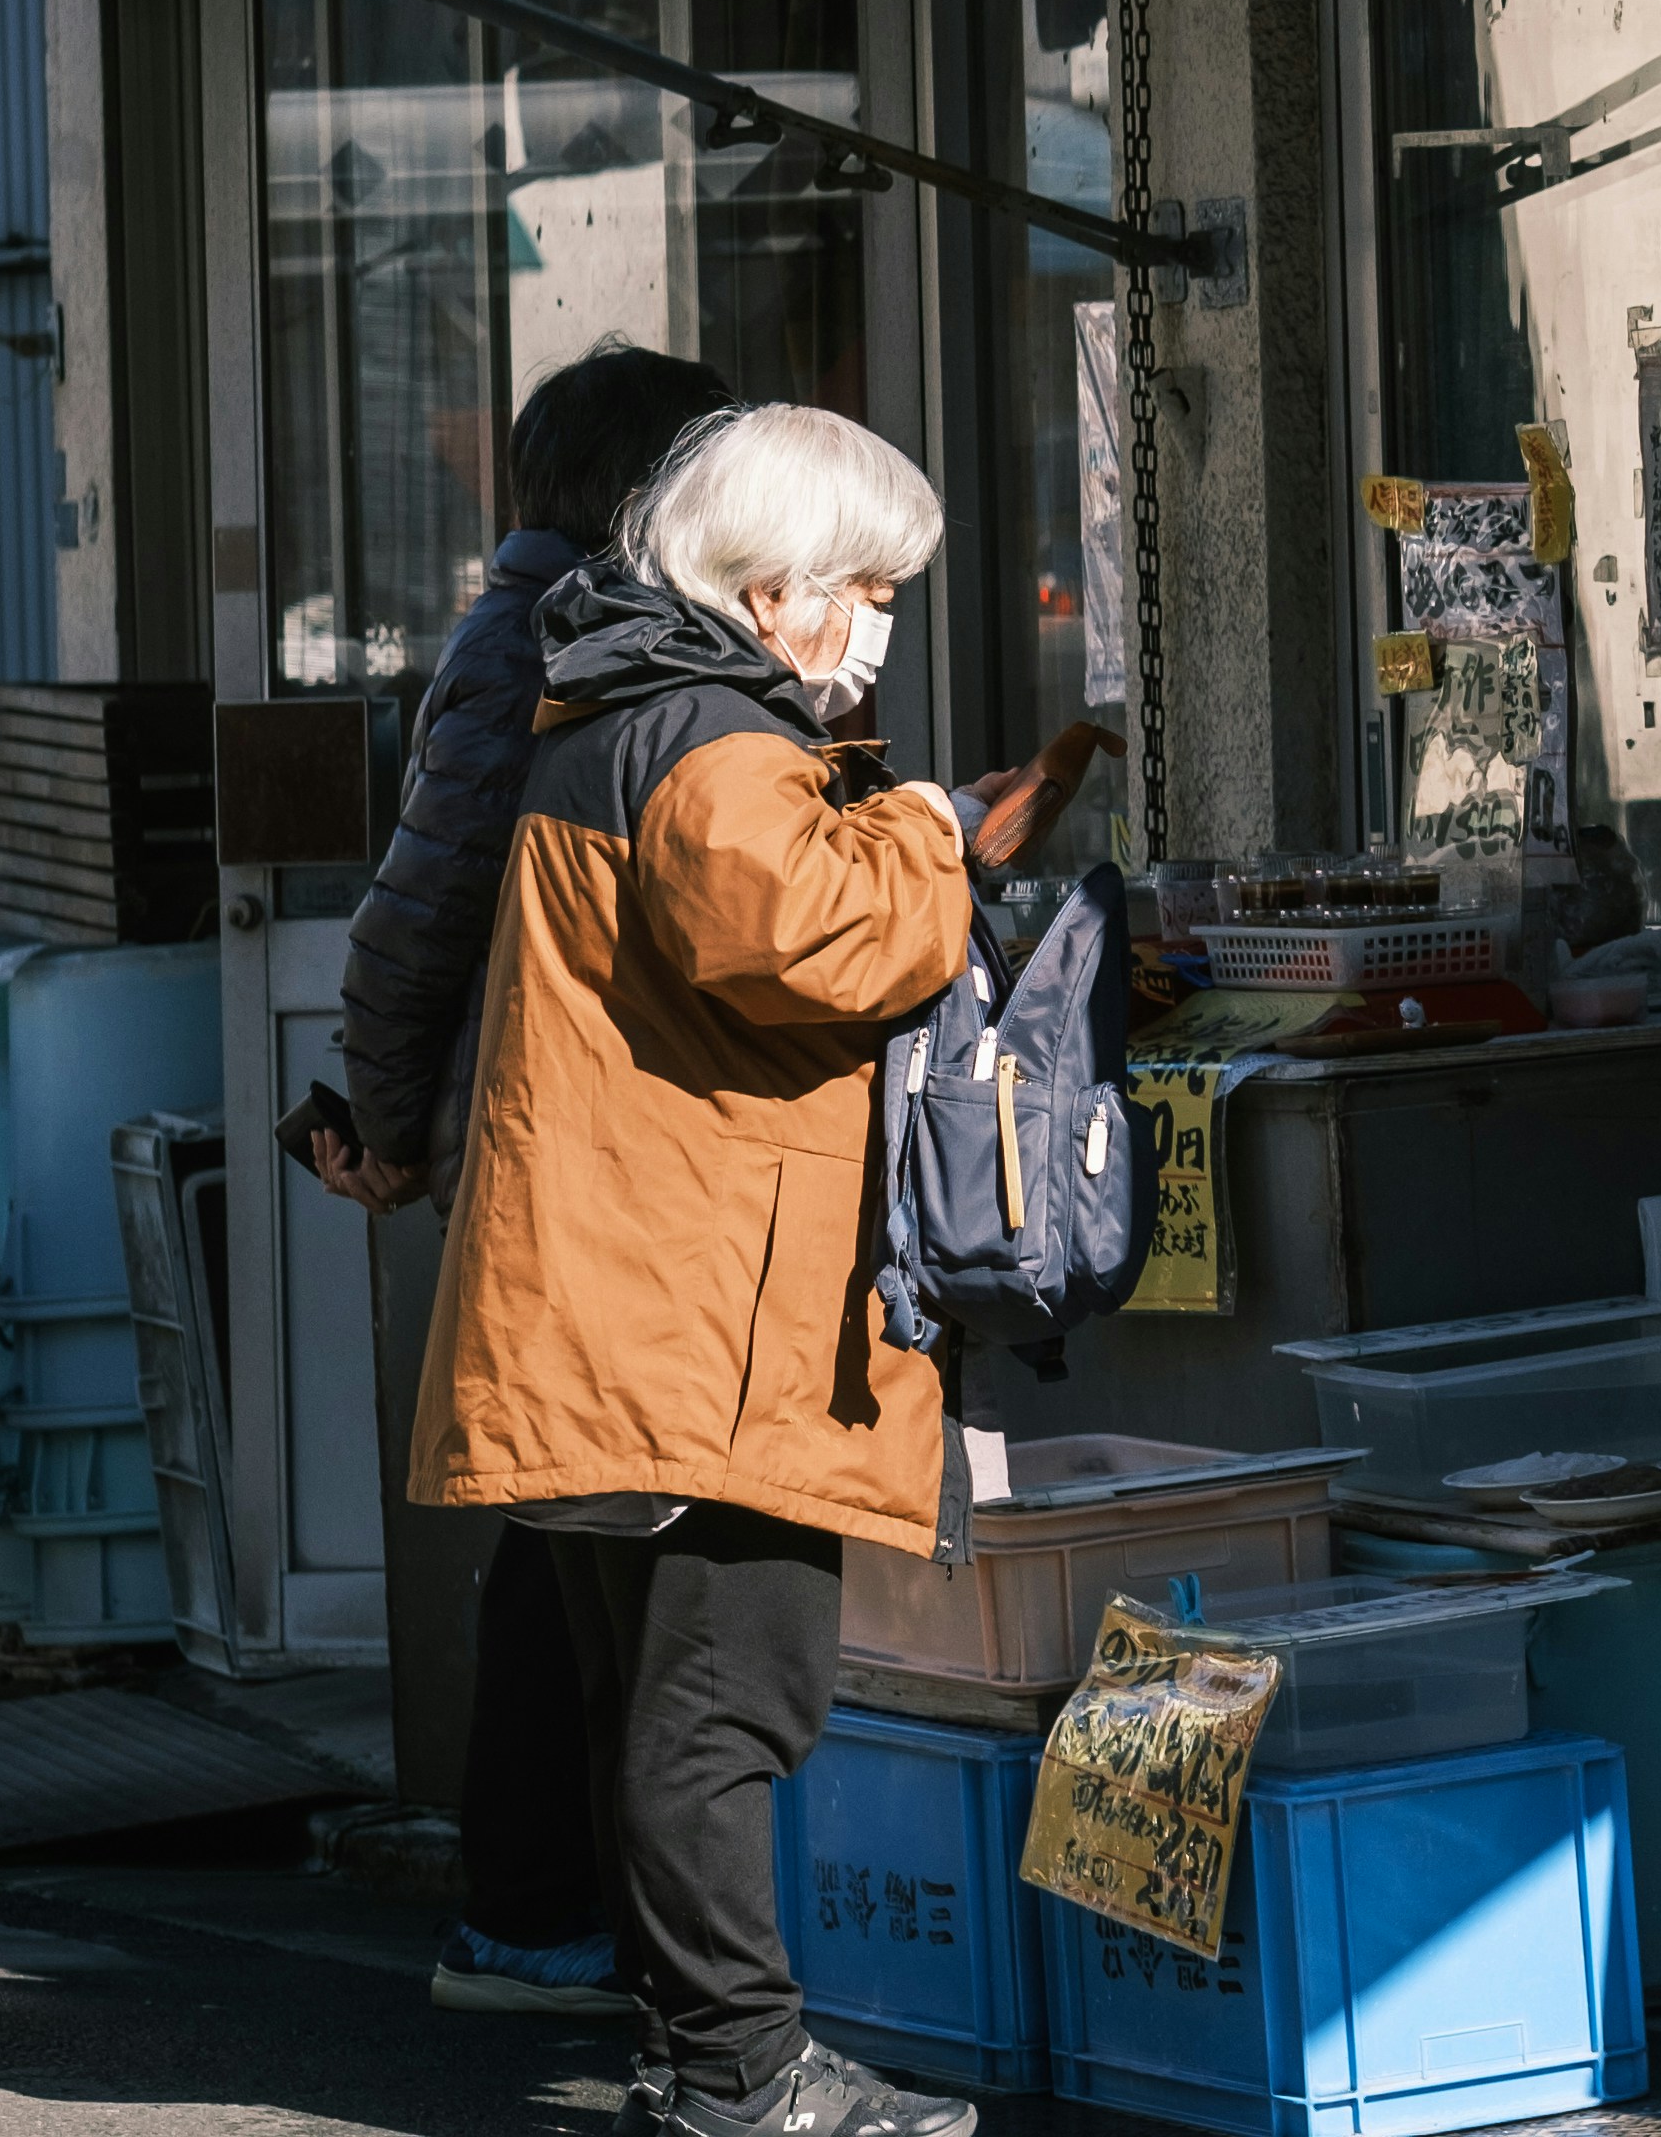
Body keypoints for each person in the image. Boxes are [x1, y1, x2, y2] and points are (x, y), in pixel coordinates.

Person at [409, 404, 1099, 2137]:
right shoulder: (711, 744)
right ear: (770, 583)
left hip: (626, 1304)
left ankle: (700, 2054)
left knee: (651, 1703)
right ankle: (743, 2072)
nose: (877, 629)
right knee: (728, 1706)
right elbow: (812, 938)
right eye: (863, 591)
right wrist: (943, 830)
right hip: (696, 1321)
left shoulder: (627, 711)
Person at [312, 343, 728, 2023]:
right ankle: (535, 1908)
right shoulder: (549, 646)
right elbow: (416, 918)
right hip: (534, 1134)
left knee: (571, 1544)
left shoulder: (549, 631)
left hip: (531, 1125)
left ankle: (547, 1904)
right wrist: (395, 1127)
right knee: (574, 1550)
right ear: (654, 494)